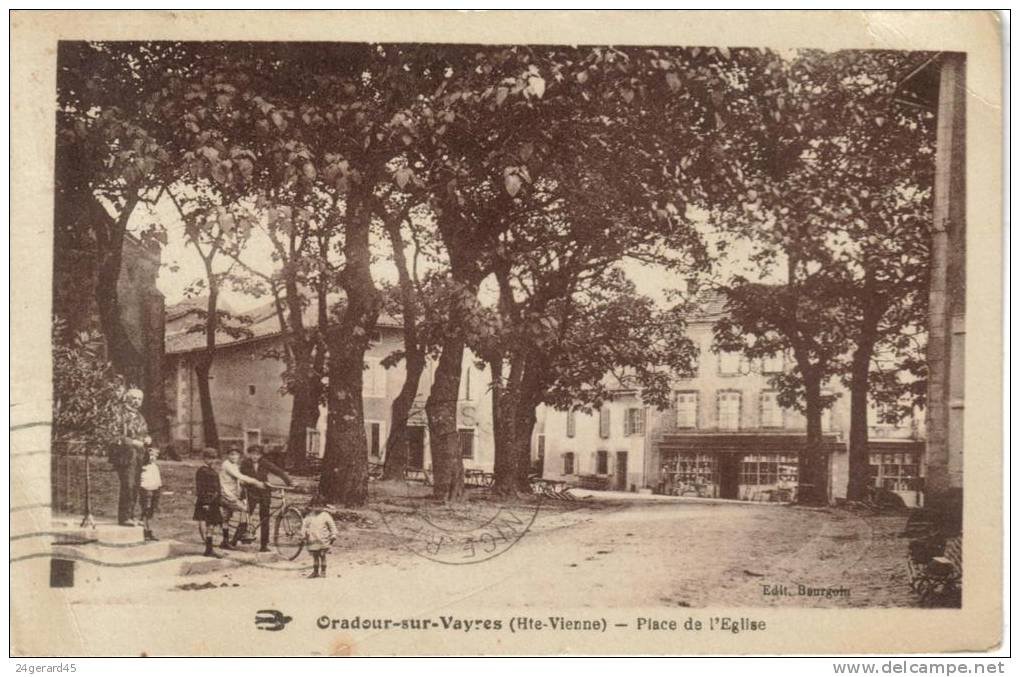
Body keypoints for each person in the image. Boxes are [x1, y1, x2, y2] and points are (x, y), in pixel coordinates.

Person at [241, 445, 294, 552]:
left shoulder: (265, 463)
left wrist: (289, 482)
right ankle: (238, 537)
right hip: (250, 492)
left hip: (264, 492)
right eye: (252, 454)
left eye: (257, 454)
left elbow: (278, 471)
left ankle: (264, 545)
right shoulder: (245, 463)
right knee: (247, 515)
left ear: (261, 455)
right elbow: (240, 476)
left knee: (265, 517)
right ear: (249, 454)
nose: (255, 457)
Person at [111, 388, 150, 526]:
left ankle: (131, 516)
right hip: (124, 456)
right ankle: (124, 517)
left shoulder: (140, 417)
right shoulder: (119, 414)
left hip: (138, 456)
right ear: (127, 398)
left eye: (139, 399)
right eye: (134, 398)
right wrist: (133, 442)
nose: (136, 401)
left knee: (135, 486)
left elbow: (144, 432)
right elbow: (114, 436)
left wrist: (147, 438)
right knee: (127, 485)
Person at [218, 447, 264, 548]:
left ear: (239, 456)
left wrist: (242, 483)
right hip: (227, 494)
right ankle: (243, 533)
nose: (234, 456)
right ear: (227, 456)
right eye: (231, 454)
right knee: (245, 510)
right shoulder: (227, 465)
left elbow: (238, 478)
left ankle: (225, 541)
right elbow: (239, 476)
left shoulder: (234, 465)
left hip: (231, 494)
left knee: (225, 518)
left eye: (236, 454)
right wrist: (256, 482)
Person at [193, 447, 223, 557]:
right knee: (207, 523)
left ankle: (209, 548)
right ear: (204, 458)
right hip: (207, 501)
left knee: (212, 525)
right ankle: (208, 548)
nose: (211, 460)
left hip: (214, 501)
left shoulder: (212, 470)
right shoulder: (202, 471)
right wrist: (205, 502)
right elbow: (201, 488)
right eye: (209, 458)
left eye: (213, 458)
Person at [301, 495, 338, 578]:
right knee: (315, 557)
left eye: (320, 506)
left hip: (323, 540)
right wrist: (303, 534)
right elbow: (304, 526)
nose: (317, 508)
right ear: (312, 506)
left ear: (323, 506)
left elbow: (332, 526)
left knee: (322, 555)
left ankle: (323, 571)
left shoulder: (326, 515)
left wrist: (333, 534)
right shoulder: (309, 516)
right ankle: (315, 571)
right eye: (315, 506)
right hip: (312, 540)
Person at [138, 447, 163, 541]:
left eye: (155, 456)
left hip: (155, 489)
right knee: (146, 509)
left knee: (152, 510)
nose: (153, 457)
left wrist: (159, 488)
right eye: (151, 455)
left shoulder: (154, 466)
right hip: (146, 489)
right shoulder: (143, 466)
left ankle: (149, 530)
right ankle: (145, 530)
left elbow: (157, 479)